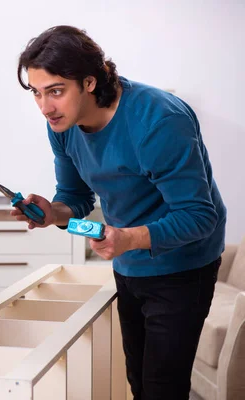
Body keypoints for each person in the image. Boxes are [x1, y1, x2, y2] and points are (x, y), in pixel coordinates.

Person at [13, 25, 226, 400]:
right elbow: (74, 197)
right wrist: (51, 212)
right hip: (128, 261)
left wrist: (128, 237)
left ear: (90, 82)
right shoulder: (63, 126)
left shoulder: (159, 121)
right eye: (37, 93)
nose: (45, 107)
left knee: (163, 388)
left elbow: (198, 215)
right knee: (139, 382)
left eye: (56, 91)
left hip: (184, 264)